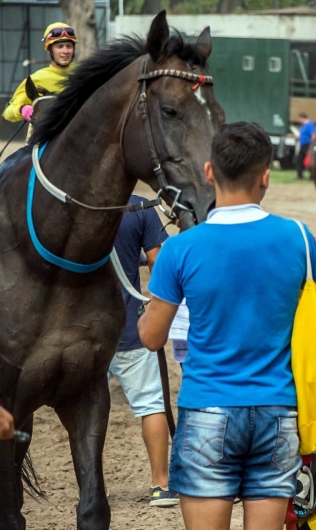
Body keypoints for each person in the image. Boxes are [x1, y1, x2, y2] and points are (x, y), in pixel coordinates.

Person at [138, 122, 316, 530]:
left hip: (208, 407)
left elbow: (152, 337)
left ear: (208, 171)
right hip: (279, 409)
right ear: (266, 177)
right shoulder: (298, 237)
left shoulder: (178, 249)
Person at [107, 195, 178, 507]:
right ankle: (161, 485)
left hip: (78, 334)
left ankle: (92, 487)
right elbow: (158, 265)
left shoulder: (72, 202)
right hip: (127, 328)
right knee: (151, 404)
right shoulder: (140, 207)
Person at [3, 23, 77, 125]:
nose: (65, 51)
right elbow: (7, 113)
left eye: (69, 46)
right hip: (42, 139)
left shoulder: (83, 76)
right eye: (60, 46)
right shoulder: (36, 79)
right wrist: (22, 109)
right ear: (49, 50)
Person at [295, 113, 316, 180]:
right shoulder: (303, 126)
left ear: (302, 118)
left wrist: (312, 145)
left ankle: (312, 176)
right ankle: (299, 175)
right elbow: (303, 135)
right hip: (303, 145)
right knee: (299, 160)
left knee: (309, 161)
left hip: (308, 145)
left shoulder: (309, 125)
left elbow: (313, 135)